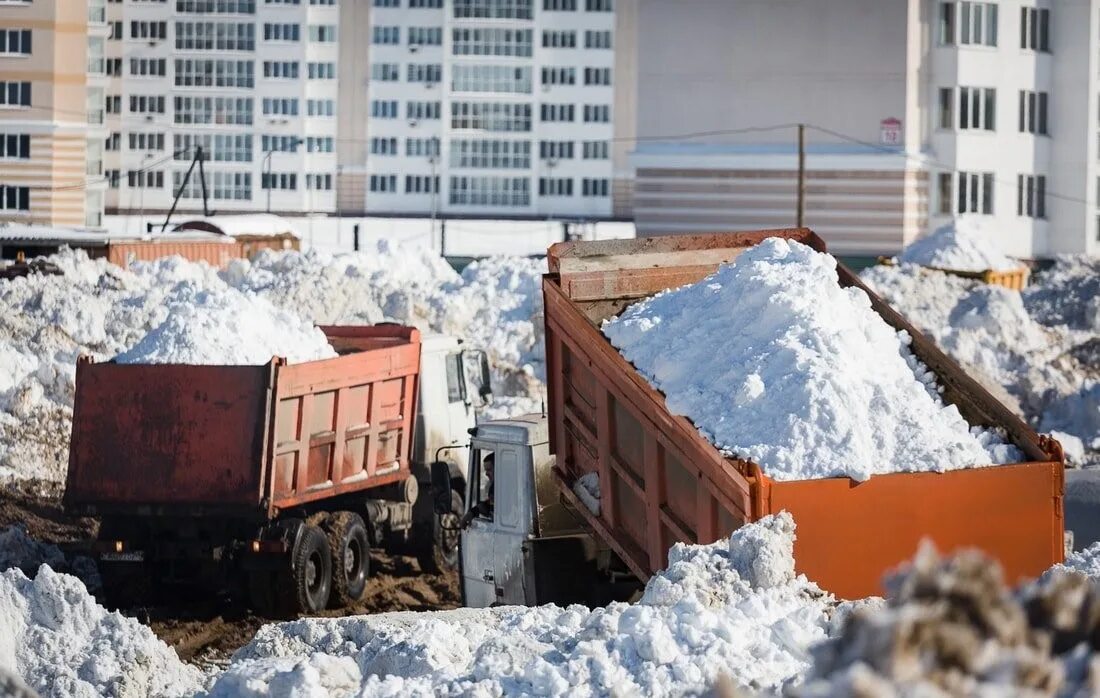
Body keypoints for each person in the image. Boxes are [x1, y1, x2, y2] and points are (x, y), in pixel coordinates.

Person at [460, 452, 494, 527]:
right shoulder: (494, 487)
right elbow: (489, 506)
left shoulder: (508, 489)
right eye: (486, 470)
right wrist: (472, 513)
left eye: (489, 470)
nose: (486, 474)